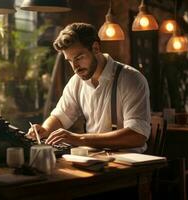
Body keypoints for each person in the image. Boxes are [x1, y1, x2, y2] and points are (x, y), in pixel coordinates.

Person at [27, 22, 151, 153]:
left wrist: (79, 139)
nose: (75, 67)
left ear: (96, 48)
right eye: (69, 60)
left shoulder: (131, 79)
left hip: (129, 165)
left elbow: (137, 136)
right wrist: (45, 130)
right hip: (93, 158)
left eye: (79, 58)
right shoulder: (76, 82)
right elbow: (59, 117)